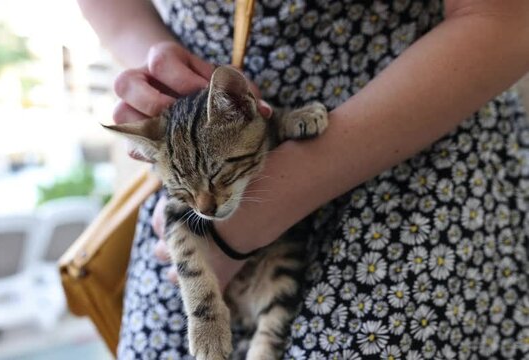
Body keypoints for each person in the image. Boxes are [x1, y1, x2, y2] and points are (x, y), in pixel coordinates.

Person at [78, 0, 529, 358]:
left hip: (404, 170)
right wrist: (164, 77)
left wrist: (254, 220)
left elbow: (504, 20)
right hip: (213, 185)